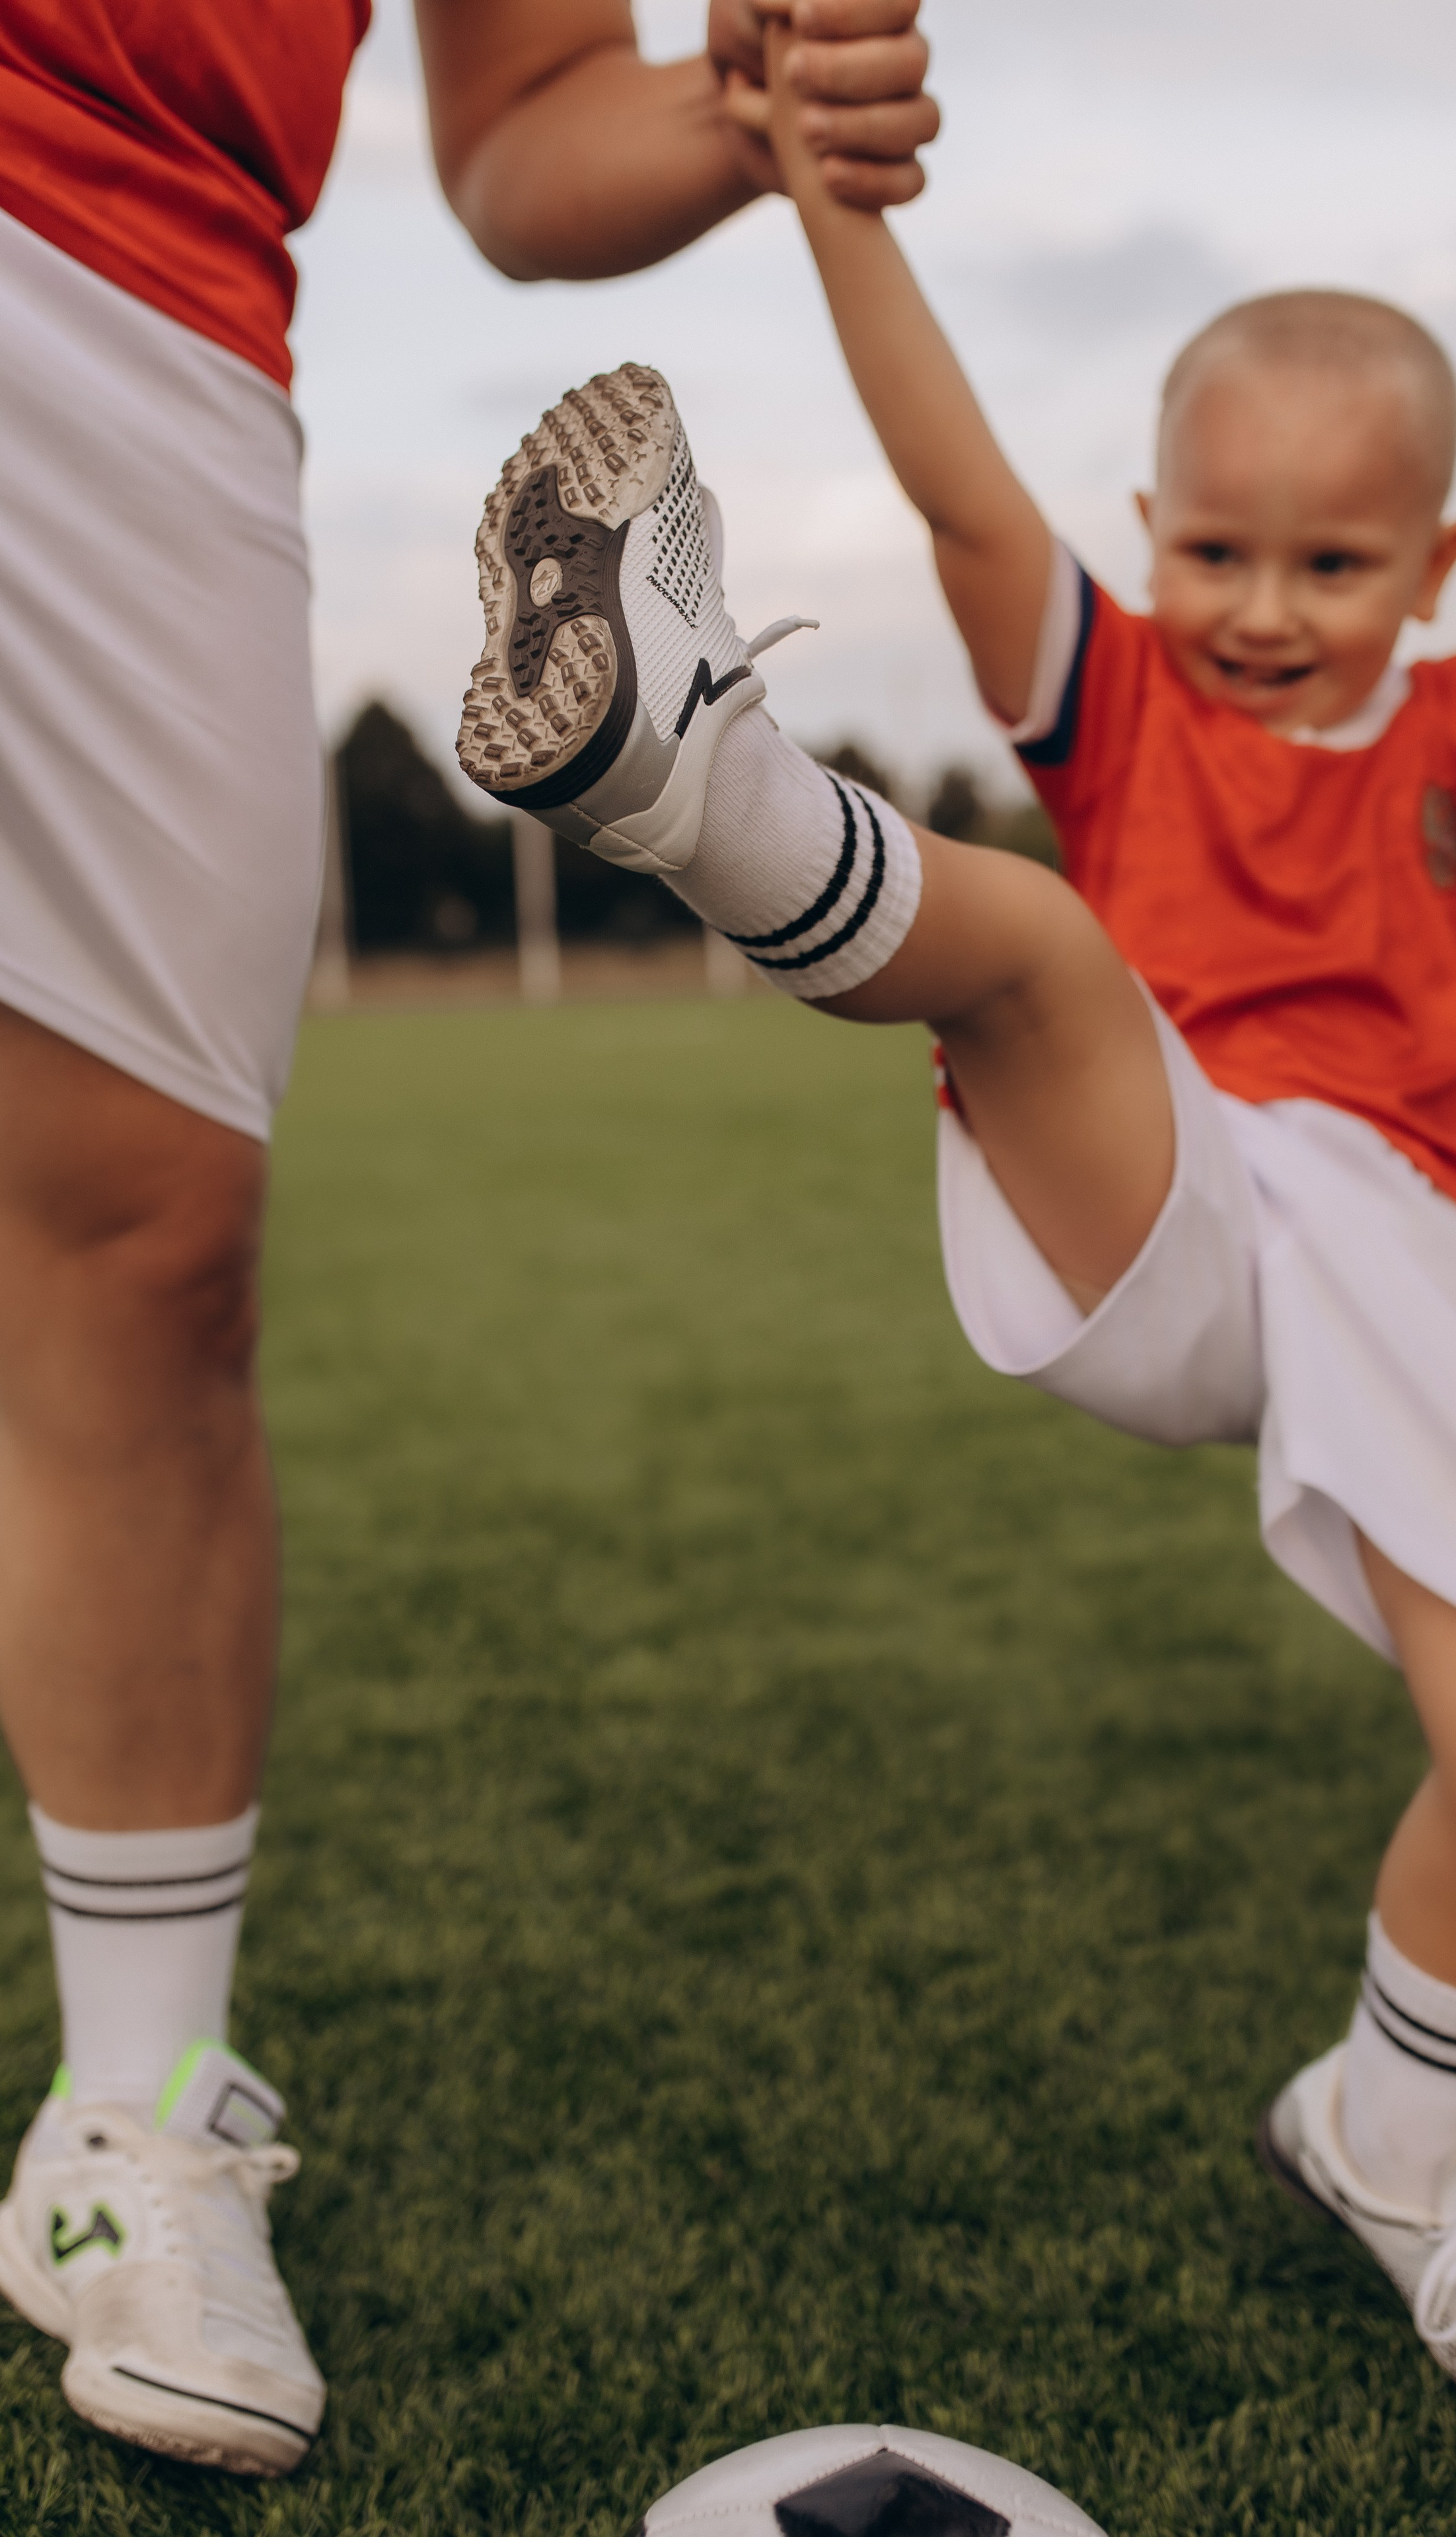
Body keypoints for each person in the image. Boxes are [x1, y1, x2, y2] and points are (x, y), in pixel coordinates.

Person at [456, 29, 1456, 2412]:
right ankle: (692, 773)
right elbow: (961, 493)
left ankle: (1396, 2142)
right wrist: (832, 194)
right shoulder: (1120, 698)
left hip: (1419, 1257)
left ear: (1434, 569)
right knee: (1034, 945)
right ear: (1153, 528)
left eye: (1331, 565)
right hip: (1173, 1183)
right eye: (1213, 548)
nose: (1254, 606)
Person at [0, 0, 937, 2480]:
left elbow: (521, 136)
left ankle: (131, 2127)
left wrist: (746, 107)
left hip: (138, 294)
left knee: (151, 1246)